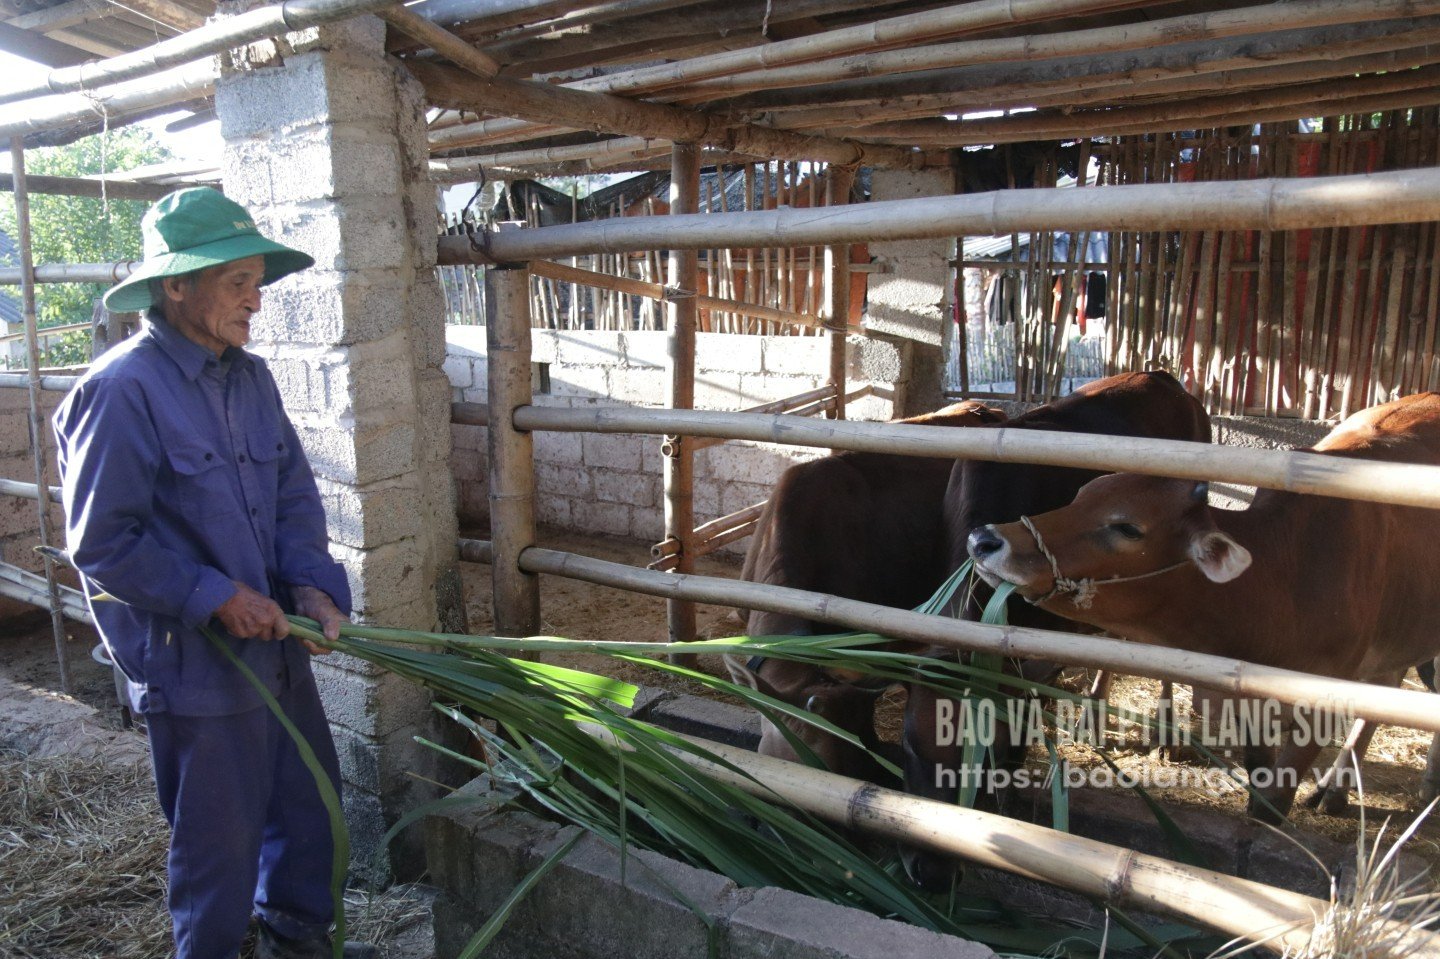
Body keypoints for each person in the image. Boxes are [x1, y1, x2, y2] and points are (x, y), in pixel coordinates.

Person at [52, 187, 376, 959]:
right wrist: (214, 595)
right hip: (196, 668)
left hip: (277, 651)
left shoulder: (252, 379)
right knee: (218, 856)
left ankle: (298, 944)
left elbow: (294, 494)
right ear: (176, 286)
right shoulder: (121, 391)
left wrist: (312, 587)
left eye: (257, 283)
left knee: (307, 818)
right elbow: (101, 542)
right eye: (238, 284)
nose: (255, 302)